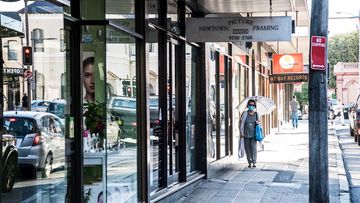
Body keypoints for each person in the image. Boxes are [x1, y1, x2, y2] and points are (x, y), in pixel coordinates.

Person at [239, 99, 260, 168]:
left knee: (253, 148)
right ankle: (249, 162)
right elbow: (240, 123)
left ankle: (254, 162)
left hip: (254, 134)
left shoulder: (257, 114)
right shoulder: (244, 113)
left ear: (255, 106)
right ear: (248, 106)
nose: (251, 106)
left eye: (253, 105)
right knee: (247, 149)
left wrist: (258, 123)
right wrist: (241, 132)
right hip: (245, 134)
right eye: (250, 105)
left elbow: (259, 124)